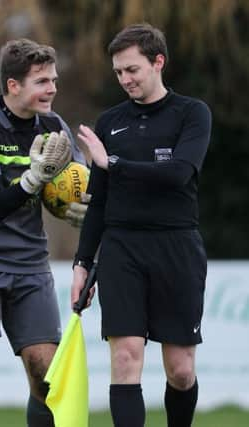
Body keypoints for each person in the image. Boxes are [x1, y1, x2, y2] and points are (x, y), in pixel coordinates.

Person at [70, 23, 211, 427]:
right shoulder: (110, 122)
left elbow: (178, 174)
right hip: (122, 249)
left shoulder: (192, 113)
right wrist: (82, 263)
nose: (125, 79)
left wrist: (111, 163)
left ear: (158, 62)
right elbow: (98, 201)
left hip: (177, 246)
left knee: (181, 370)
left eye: (132, 69)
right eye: (118, 72)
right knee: (125, 357)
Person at [0, 38, 86, 427]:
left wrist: (80, 207)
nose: (52, 88)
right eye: (42, 81)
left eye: (53, 80)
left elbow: (69, 186)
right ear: (13, 86)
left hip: (29, 264)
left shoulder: (55, 127)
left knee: (46, 375)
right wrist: (32, 179)